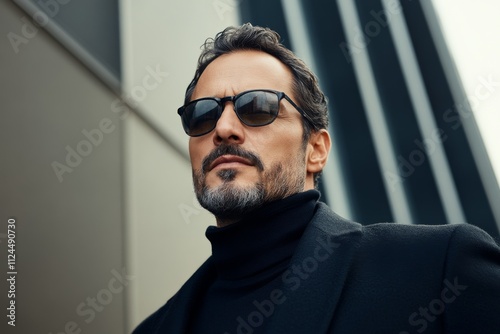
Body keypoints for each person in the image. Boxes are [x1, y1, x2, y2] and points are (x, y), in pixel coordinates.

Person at [133, 23, 500, 334]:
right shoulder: (154, 327)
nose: (224, 128)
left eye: (257, 106)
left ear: (316, 150)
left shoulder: (440, 270)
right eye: (202, 115)